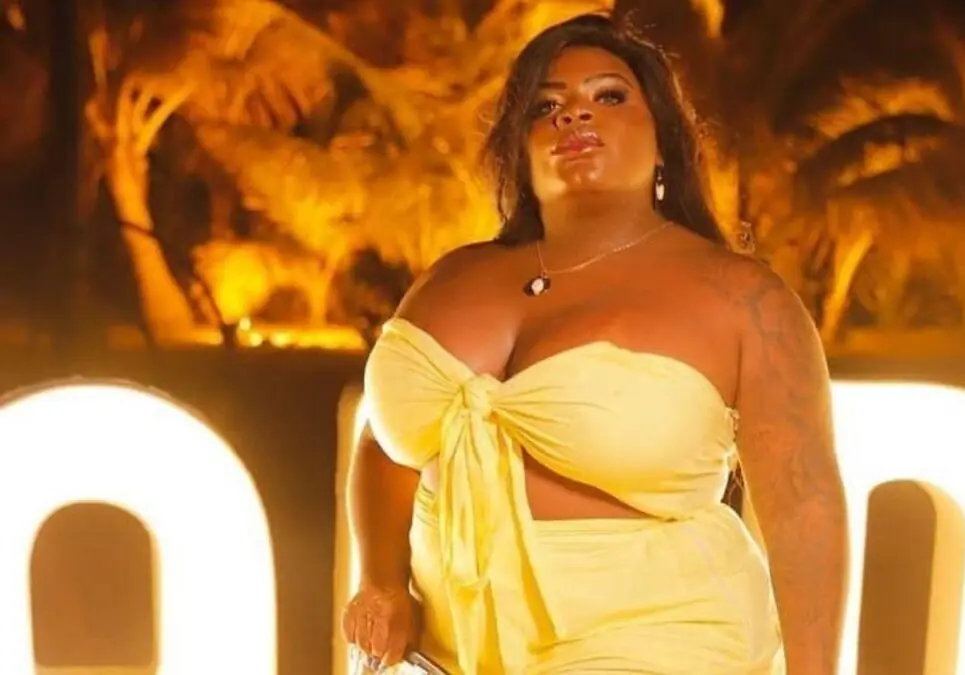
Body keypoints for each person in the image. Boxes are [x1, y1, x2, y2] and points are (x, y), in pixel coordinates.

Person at [342, 13, 848, 675]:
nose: (573, 115)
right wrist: (381, 581)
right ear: (519, 147)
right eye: (545, 105)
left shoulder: (743, 300)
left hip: (656, 647)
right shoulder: (451, 277)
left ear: (663, 140)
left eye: (609, 96)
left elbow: (804, 507)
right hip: (441, 657)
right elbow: (388, 442)